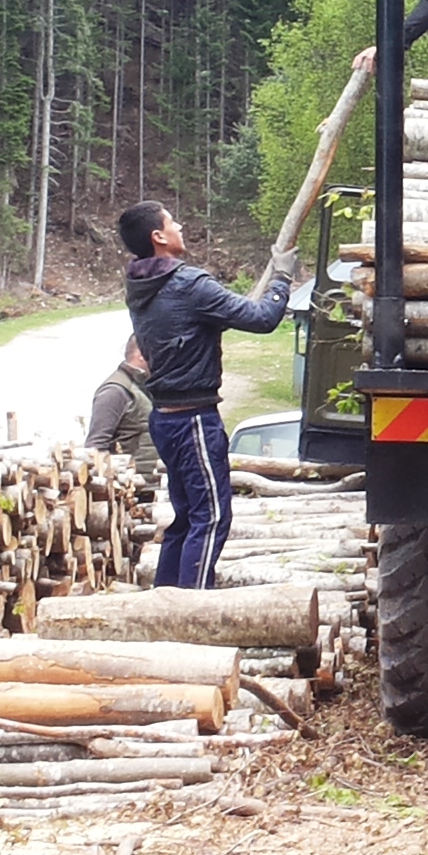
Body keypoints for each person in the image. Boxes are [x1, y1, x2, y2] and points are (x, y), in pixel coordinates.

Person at [120, 200, 298, 589]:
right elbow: (263, 319)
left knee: (186, 517)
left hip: (165, 418)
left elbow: (202, 321)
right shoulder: (189, 284)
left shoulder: (141, 285)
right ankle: (192, 607)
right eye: (173, 222)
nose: (180, 225)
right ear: (159, 237)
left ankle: (166, 600)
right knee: (212, 516)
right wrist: (282, 279)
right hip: (193, 418)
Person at [83, 338, 157, 479]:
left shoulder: (145, 384)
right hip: (135, 489)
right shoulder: (114, 391)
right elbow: (95, 447)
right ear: (141, 354)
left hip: (154, 484)